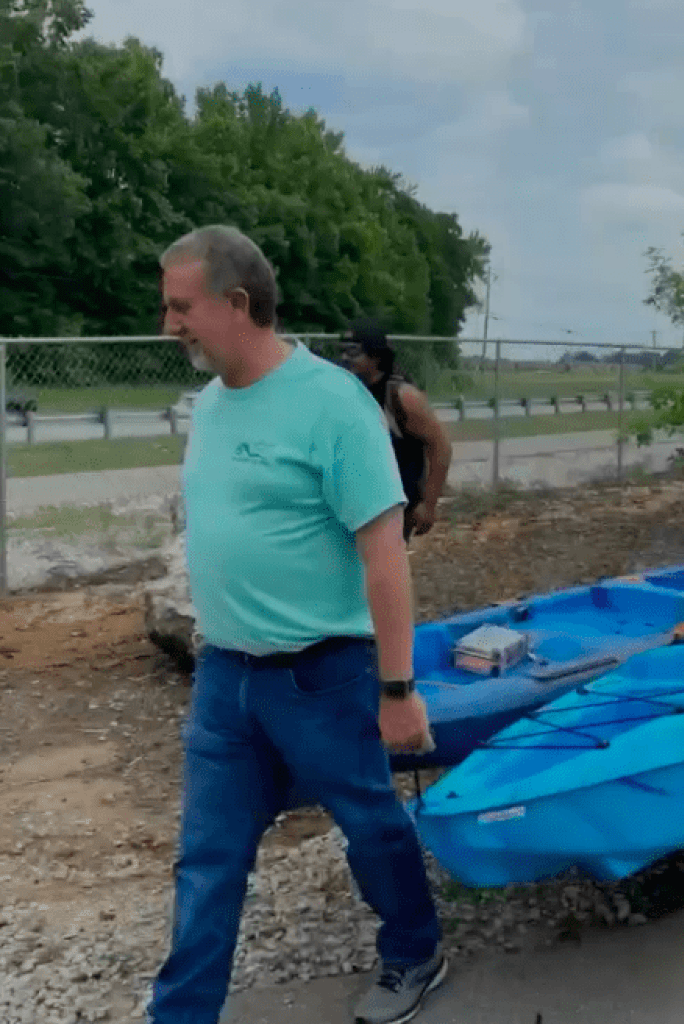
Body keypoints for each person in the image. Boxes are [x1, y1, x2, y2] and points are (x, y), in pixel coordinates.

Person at [148, 225, 446, 1024]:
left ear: (237, 303)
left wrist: (397, 690)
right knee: (208, 859)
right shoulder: (211, 404)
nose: (168, 323)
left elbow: (385, 558)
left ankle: (415, 948)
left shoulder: (331, 405)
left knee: (371, 825)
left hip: (325, 675)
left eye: (181, 306)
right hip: (225, 677)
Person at [345, 320, 453, 542]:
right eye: (344, 351)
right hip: (359, 503)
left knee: (378, 572)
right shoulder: (352, 389)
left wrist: (429, 504)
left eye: (354, 352)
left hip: (394, 508)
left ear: (375, 356)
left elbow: (441, 445)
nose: (346, 358)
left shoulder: (402, 396)